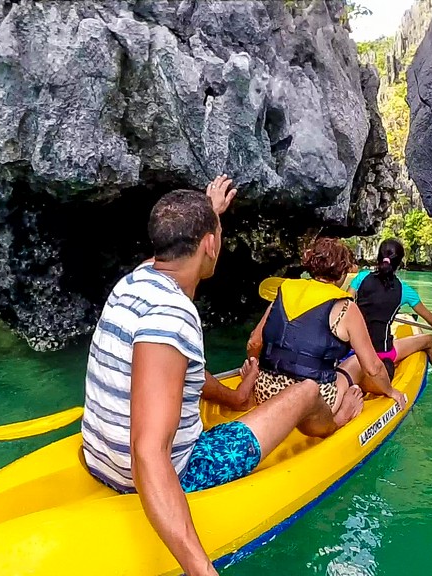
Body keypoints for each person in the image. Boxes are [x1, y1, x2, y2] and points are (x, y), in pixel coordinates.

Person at [81, 175, 347, 576]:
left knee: (233, 396)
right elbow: (150, 453)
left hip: (96, 458)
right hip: (165, 472)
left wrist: (239, 398)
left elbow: (173, 370)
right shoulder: (171, 318)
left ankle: (241, 402)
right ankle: (338, 424)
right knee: (309, 391)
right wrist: (200, 568)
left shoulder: (132, 283)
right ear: (209, 244)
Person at [245, 237, 408, 416]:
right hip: (314, 405)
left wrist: (255, 369)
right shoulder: (346, 306)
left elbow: (254, 342)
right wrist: (391, 391)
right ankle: (341, 414)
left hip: (266, 392)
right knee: (354, 362)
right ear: (342, 272)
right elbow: (373, 367)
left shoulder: (285, 289)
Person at [342, 238, 432, 380]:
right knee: (429, 340)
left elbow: (345, 305)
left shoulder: (361, 277)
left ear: (378, 257)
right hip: (381, 353)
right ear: (400, 263)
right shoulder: (405, 291)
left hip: (353, 348)